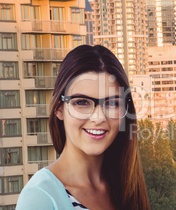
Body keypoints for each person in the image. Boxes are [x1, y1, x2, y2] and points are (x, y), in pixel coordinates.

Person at [16, 45, 150, 210]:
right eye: (81, 102)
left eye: (112, 103)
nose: (98, 117)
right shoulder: (40, 197)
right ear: (59, 108)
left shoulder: (126, 187)